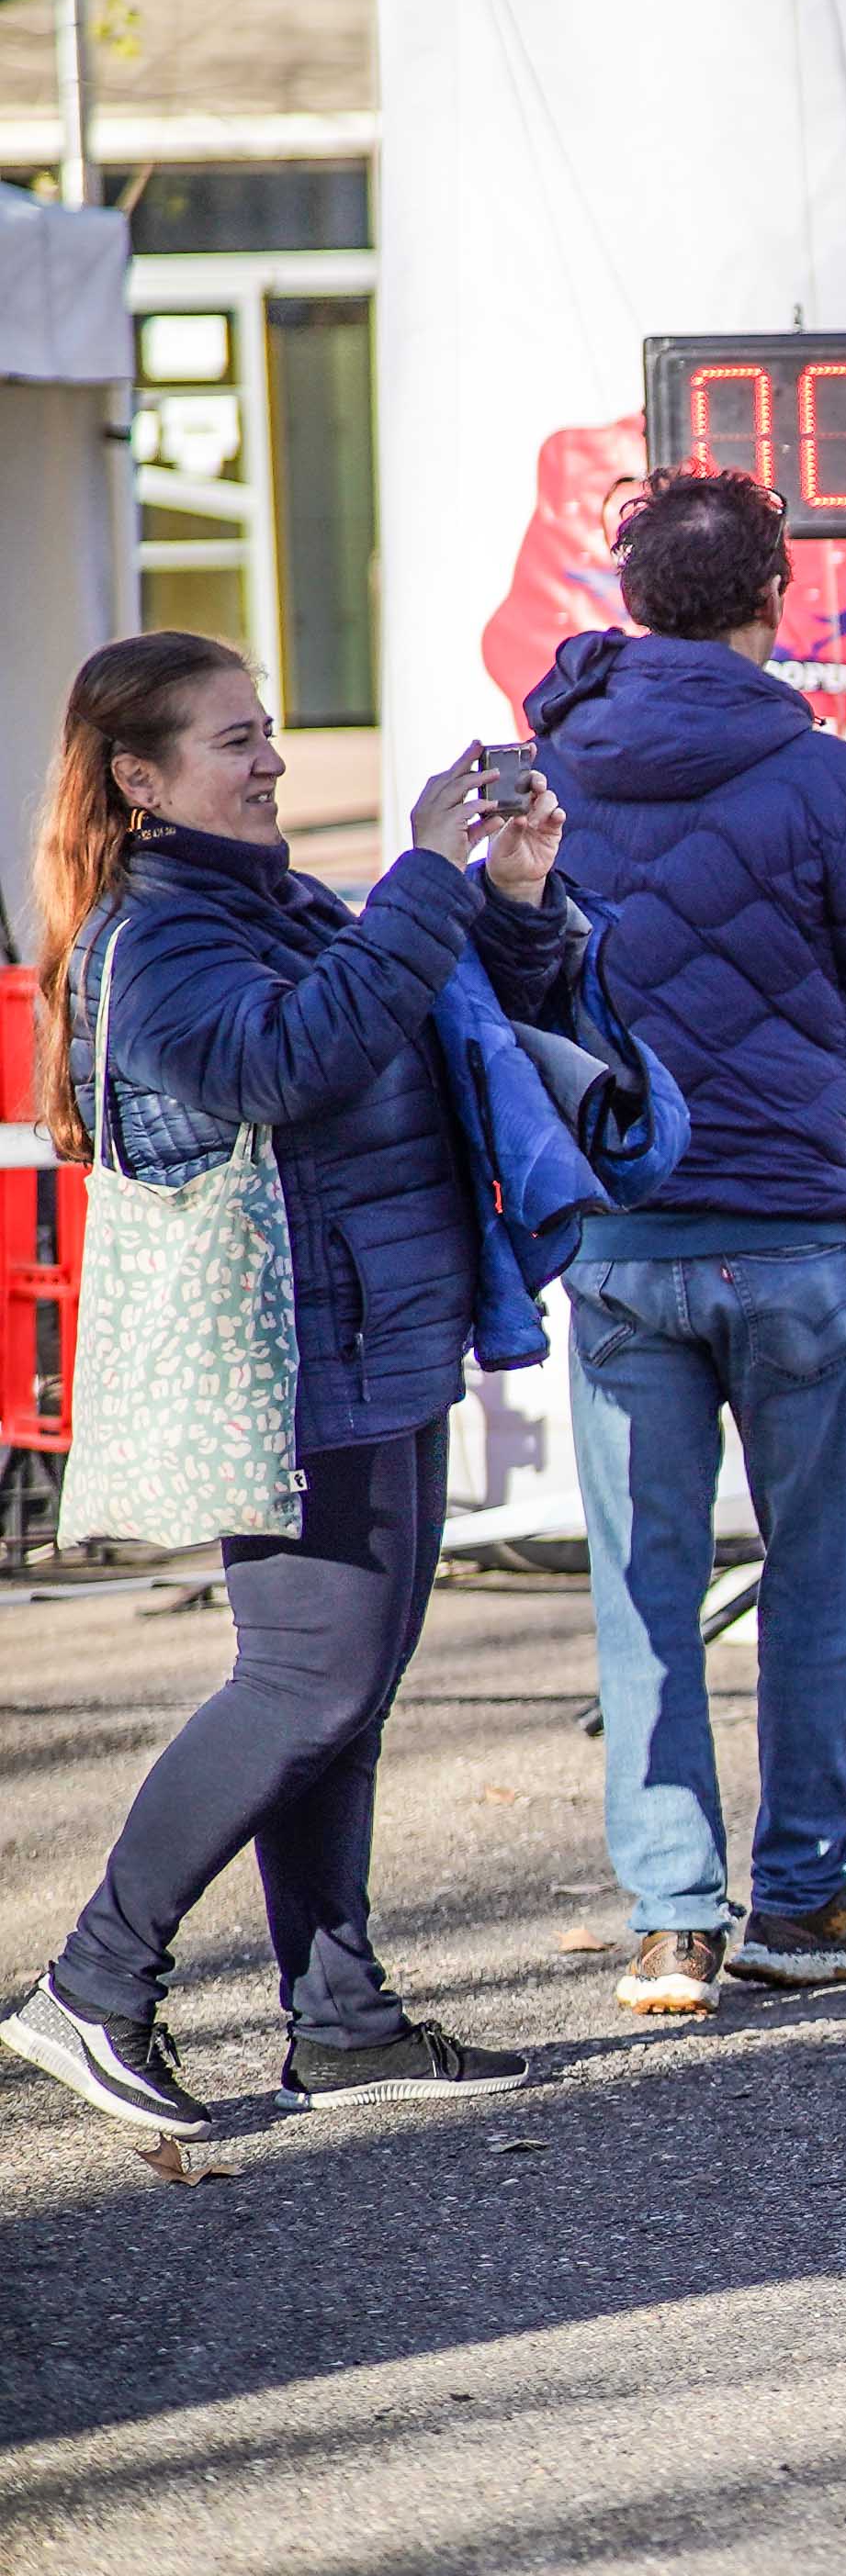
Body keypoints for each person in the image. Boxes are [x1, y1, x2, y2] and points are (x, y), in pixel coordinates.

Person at [6, 644, 581, 2136]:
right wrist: (422, 879)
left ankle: (340, 2022)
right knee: (300, 1685)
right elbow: (292, 1063)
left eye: (269, 730)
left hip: (383, 1331)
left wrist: (504, 888)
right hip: (299, 1358)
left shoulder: (265, 894)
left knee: (348, 1697)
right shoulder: (159, 931)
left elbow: (430, 1017)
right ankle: (91, 1988)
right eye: (236, 740)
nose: (268, 761)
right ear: (139, 779)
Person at [524, 471, 846, 2016]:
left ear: (630, 599)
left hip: (624, 1230)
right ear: (774, 602)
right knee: (821, 1580)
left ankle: (668, 1923)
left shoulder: (542, 769)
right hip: (797, 1229)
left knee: (644, 1587)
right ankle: (804, 1897)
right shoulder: (825, 777)